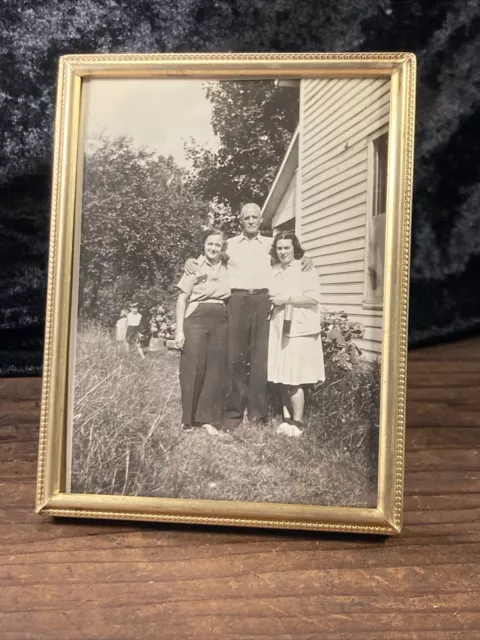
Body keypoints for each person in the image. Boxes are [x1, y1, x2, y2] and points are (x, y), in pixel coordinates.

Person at [184, 202, 313, 430]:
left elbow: (288, 256)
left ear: (261, 219)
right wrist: (190, 261)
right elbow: (209, 255)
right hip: (237, 301)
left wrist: (304, 259)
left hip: (263, 301)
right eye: (247, 218)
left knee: (260, 360)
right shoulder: (230, 244)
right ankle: (232, 414)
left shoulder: (271, 244)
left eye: (255, 217)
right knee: (234, 358)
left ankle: (257, 415)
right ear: (240, 220)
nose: (251, 221)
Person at [268, 230, 325, 437]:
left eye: (287, 248)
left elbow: (313, 299)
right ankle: (286, 420)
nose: (283, 252)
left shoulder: (305, 268)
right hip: (278, 328)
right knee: (283, 375)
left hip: (299, 329)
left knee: (294, 377)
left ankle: (298, 423)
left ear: (295, 248)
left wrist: (287, 299)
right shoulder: (274, 270)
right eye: (280, 248)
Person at [175, 228, 230, 434]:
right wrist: (179, 331)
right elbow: (182, 299)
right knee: (193, 367)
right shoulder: (194, 266)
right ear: (204, 245)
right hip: (196, 316)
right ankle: (188, 419)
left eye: (217, 244)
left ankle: (206, 418)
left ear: (222, 247)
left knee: (215, 369)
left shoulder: (227, 266)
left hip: (220, 317)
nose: (213, 248)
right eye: (210, 244)